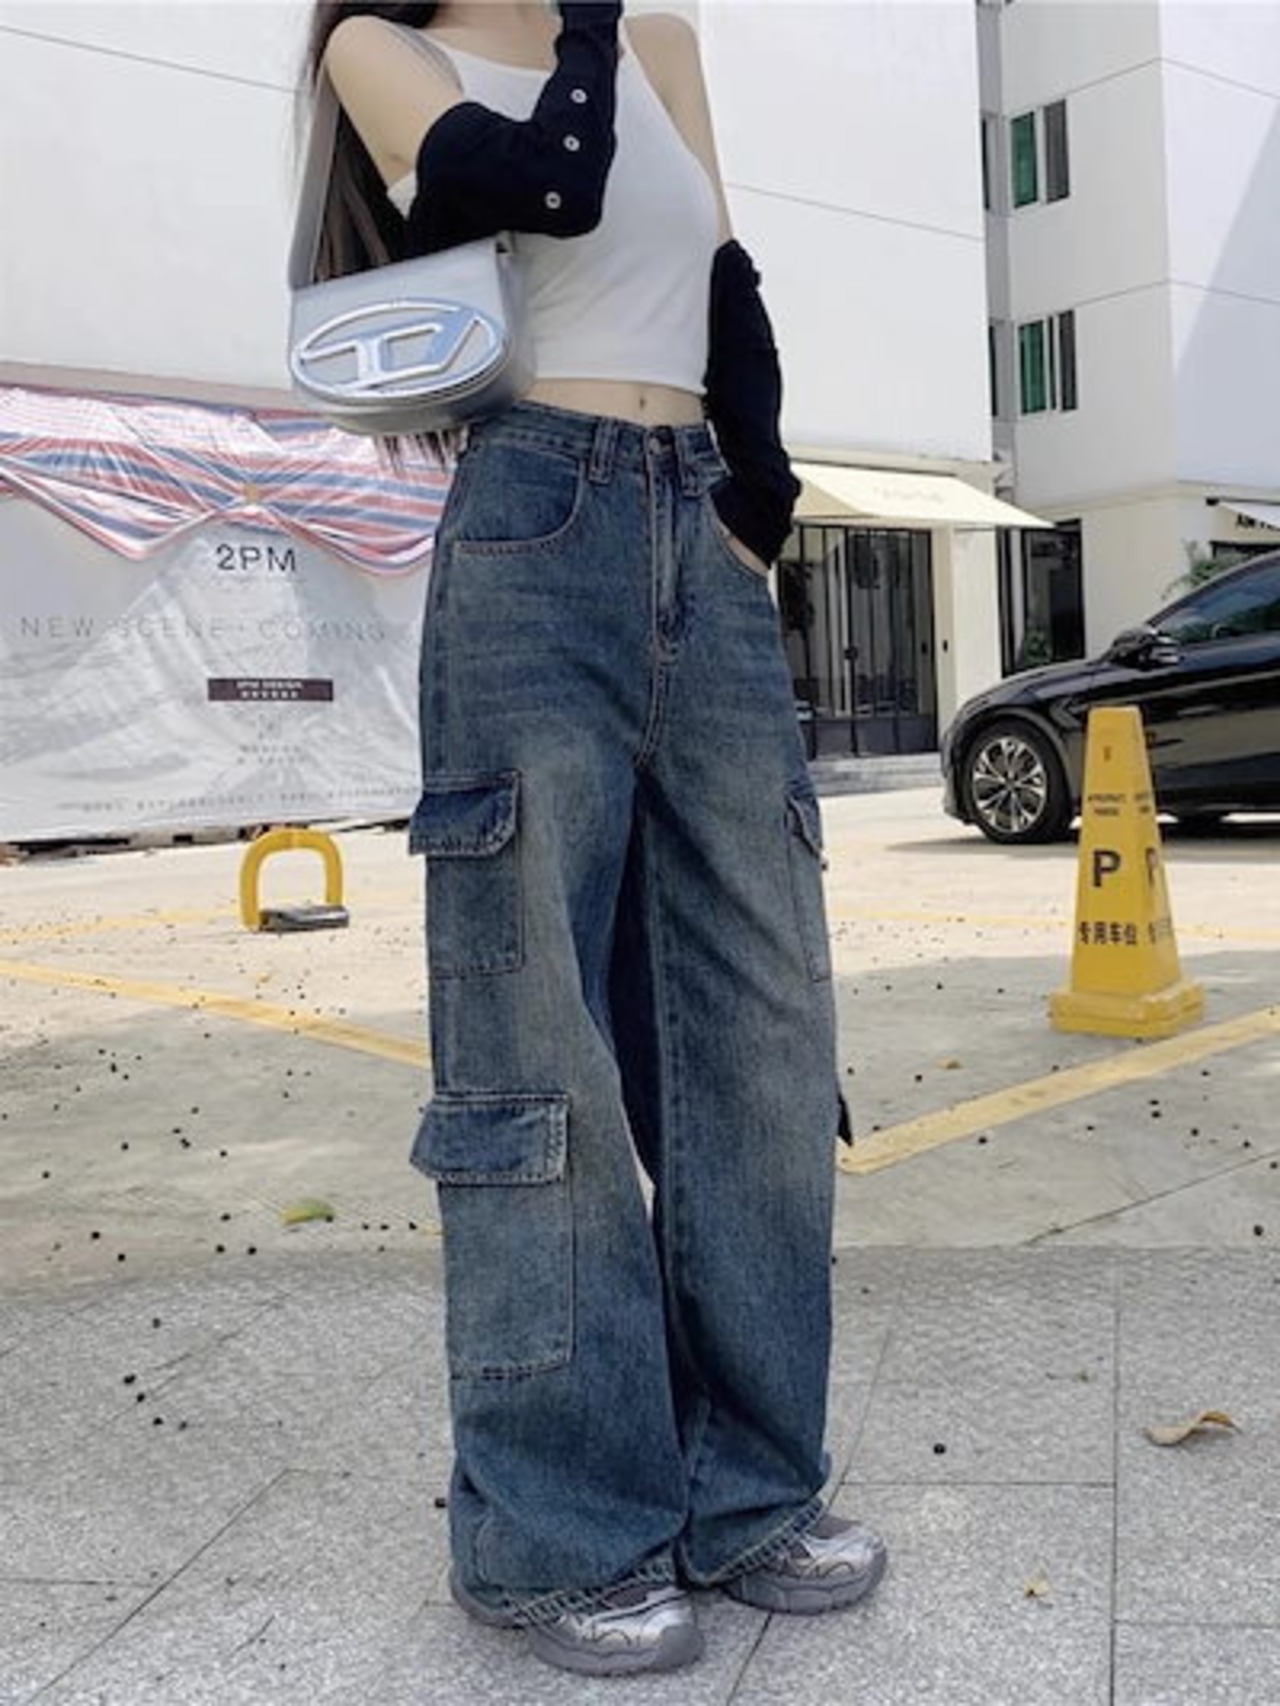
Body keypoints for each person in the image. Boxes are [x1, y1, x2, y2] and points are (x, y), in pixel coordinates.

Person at [306, 0, 887, 1677]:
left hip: (699, 533)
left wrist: (755, 507)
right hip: (533, 525)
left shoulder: (667, 41)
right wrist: (584, 20)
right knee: (535, 1042)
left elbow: (727, 287)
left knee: (762, 1033)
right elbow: (543, 187)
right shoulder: (380, 50)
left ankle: (749, 1491)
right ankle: (557, 1532)